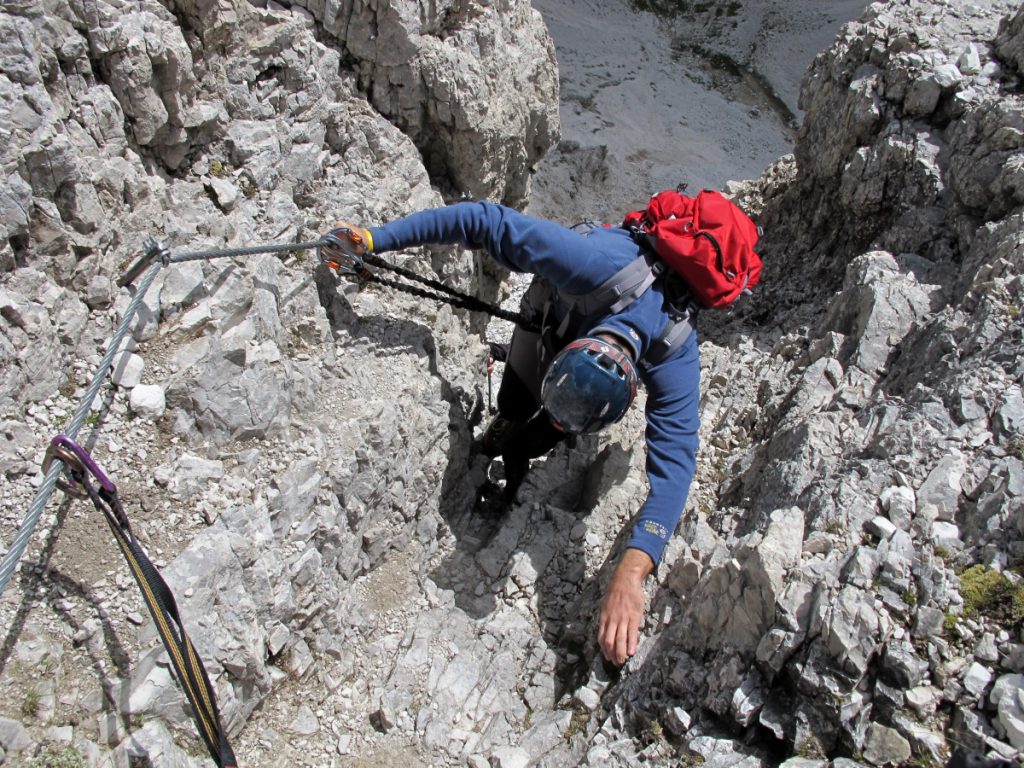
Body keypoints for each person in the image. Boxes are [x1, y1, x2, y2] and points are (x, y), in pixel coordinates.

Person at [326, 200, 700, 666]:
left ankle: (522, 455)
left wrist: (633, 568)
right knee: (515, 402)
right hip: (552, 316)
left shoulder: (674, 353)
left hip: (578, 344)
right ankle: (505, 428)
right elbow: (484, 220)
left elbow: (677, 465)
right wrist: (375, 239)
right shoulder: (589, 262)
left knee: (540, 434)